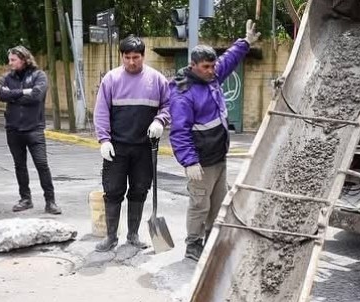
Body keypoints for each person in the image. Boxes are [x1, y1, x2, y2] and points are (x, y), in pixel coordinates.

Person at [169, 20, 259, 261]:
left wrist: (245, 43)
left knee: (218, 203)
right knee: (200, 204)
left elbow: (228, 60)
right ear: (193, 66)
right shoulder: (183, 93)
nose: (212, 70)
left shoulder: (212, 77)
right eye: (206, 67)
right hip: (201, 160)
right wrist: (189, 162)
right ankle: (193, 245)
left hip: (218, 156)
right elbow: (179, 131)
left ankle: (210, 239)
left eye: (213, 66)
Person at [93, 35, 170, 251]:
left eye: (136, 57)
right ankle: (110, 237)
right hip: (117, 147)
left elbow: (169, 104)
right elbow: (101, 111)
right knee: (113, 190)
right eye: (127, 57)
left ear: (144, 56)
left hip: (145, 148)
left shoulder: (157, 80)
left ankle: (133, 235)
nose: (132, 62)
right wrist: (104, 139)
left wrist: (160, 120)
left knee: (139, 190)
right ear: (122, 56)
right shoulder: (111, 79)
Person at [0, 45, 61, 215]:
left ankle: (50, 201)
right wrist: (24, 92)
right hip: (13, 129)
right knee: (20, 165)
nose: (10, 63)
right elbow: (1, 95)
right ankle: (25, 199)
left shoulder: (39, 75)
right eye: (9, 60)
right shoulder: (6, 77)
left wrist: (13, 95)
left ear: (24, 59)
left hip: (34, 129)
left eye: (13, 60)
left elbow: (37, 96)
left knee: (42, 164)